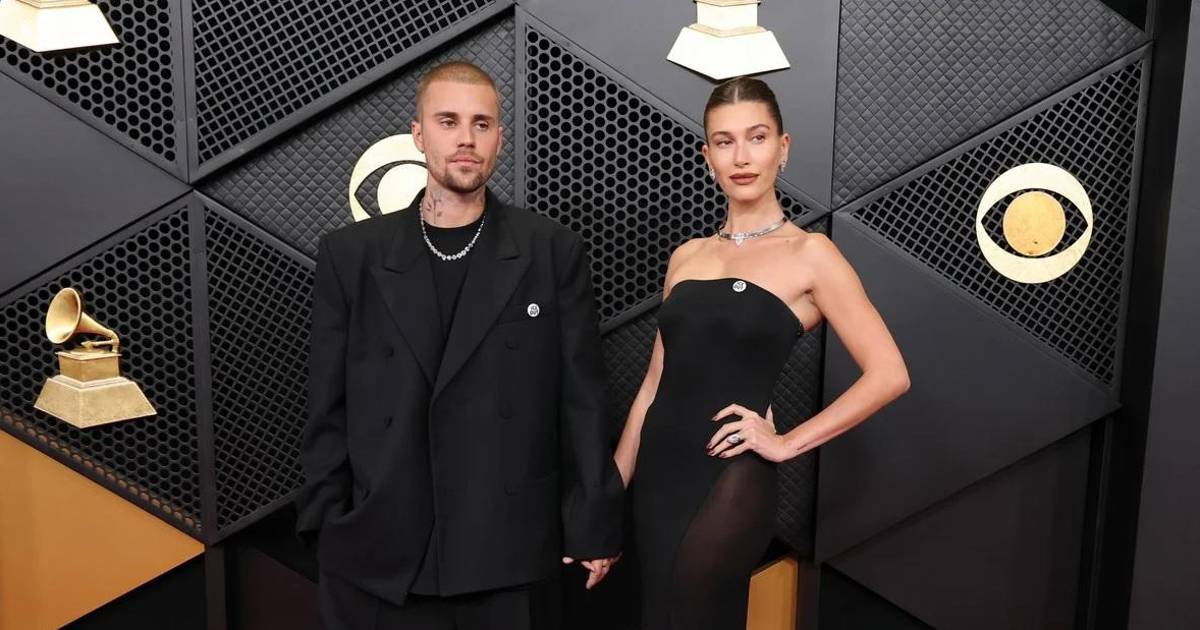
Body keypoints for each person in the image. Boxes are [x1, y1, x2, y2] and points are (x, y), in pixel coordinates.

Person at [295, 60, 623, 630]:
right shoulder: (352, 256)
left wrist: (593, 518)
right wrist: (327, 522)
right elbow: (327, 405)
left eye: (481, 123)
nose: (466, 139)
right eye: (448, 122)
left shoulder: (551, 251)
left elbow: (583, 402)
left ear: (499, 137)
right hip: (381, 554)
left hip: (508, 547)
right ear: (418, 135)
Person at [612, 76, 911, 630]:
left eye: (757, 137)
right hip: (657, 478)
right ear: (707, 156)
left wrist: (786, 442)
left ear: (782, 147)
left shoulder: (811, 254)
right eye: (724, 142)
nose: (742, 157)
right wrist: (609, 494)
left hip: (728, 478)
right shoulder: (687, 256)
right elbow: (654, 384)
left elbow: (889, 373)